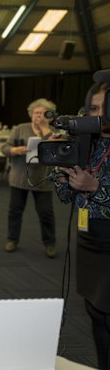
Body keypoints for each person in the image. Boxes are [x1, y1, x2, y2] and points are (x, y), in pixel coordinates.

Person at [52, 72, 110, 370]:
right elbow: (66, 197)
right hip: (90, 241)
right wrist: (63, 177)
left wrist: (96, 188)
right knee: (97, 316)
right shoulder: (88, 145)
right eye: (91, 109)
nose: (93, 116)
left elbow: (94, 189)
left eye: (100, 109)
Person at [1, 98, 57, 258]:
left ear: (50, 116)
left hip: (43, 180)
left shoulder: (53, 132)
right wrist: (14, 150)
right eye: (36, 113)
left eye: (42, 113)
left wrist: (45, 128)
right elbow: (5, 148)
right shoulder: (20, 129)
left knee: (46, 213)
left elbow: (57, 149)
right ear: (31, 114)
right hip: (19, 179)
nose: (38, 116)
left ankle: (50, 243)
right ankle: (12, 239)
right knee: (15, 211)